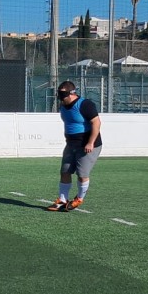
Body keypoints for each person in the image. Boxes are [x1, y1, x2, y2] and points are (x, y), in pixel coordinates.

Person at [46, 81, 103, 212]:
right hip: (71, 144)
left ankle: (79, 198)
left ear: (72, 93)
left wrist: (90, 142)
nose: (61, 97)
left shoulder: (85, 104)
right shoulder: (63, 106)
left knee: (82, 174)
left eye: (63, 94)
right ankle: (62, 200)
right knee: (65, 171)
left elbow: (96, 123)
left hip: (87, 145)